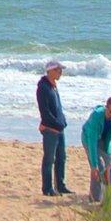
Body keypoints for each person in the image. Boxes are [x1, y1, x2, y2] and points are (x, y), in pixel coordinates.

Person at [35, 61, 70, 196]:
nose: (60, 73)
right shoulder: (43, 87)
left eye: (60, 70)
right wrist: (54, 124)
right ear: (50, 71)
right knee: (49, 159)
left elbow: (57, 107)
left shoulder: (53, 86)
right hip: (50, 129)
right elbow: (44, 110)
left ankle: (60, 185)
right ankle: (47, 188)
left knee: (61, 158)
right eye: (58, 70)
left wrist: (62, 122)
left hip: (59, 128)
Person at [81, 96, 111, 202]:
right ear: (106, 108)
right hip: (89, 138)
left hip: (105, 140)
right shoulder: (96, 116)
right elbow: (92, 142)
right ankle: (95, 197)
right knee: (98, 167)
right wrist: (94, 165)